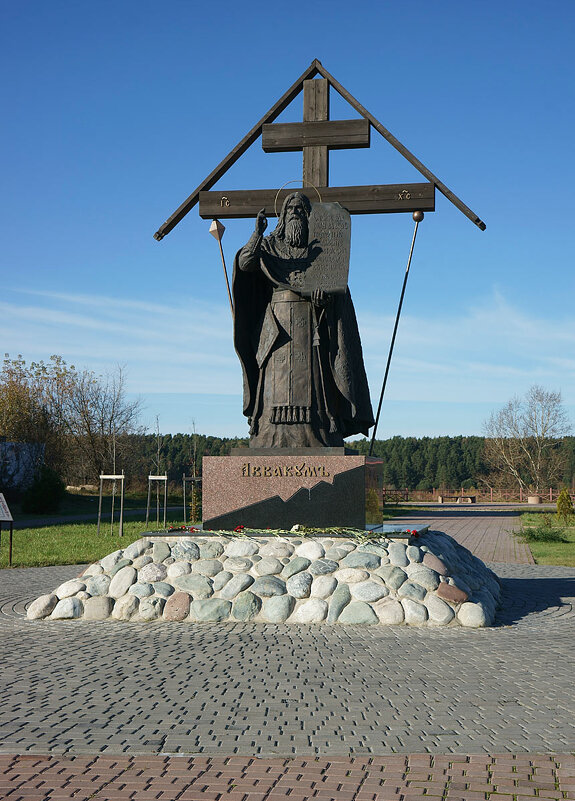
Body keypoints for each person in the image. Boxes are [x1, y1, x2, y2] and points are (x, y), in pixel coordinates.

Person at [233, 192, 374, 448]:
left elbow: (334, 296)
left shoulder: (321, 254)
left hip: (311, 327)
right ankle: (268, 435)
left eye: (301, 210)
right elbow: (245, 263)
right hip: (277, 326)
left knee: (314, 383)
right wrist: (256, 233)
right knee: (274, 386)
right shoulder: (269, 245)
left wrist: (323, 302)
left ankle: (316, 433)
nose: (296, 213)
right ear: (283, 217)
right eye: (291, 210)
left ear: (309, 218)